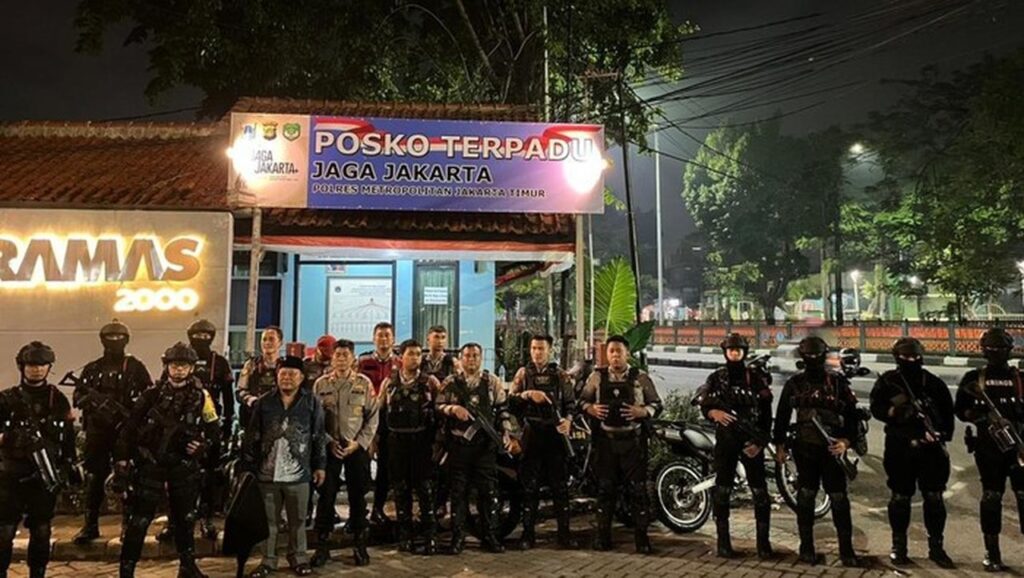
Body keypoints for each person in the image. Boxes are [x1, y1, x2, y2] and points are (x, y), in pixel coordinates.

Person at [116, 342, 220, 578]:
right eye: (174, 365)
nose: (179, 370)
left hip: (183, 466)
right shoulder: (151, 395)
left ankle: (187, 567)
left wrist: (203, 446)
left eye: (184, 365)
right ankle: (127, 569)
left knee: (185, 518)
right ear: (167, 367)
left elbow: (213, 429)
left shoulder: (202, 396)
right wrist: (122, 459)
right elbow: (130, 427)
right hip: (150, 464)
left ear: (191, 368)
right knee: (139, 520)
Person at [774, 336, 862, 567]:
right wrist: (780, 446)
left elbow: (852, 416)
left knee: (838, 498)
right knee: (806, 496)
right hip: (805, 449)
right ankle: (806, 547)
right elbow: (782, 416)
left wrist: (846, 441)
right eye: (809, 355)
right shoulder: (794, 383)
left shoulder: (837, 383)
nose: (813, 359)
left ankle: (846, 550)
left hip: (832, 450)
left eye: (816, 355)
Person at [869, 337, 955, 568]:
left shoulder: (933, 383)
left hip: (931, 451)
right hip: (900, 448)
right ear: (897, 358)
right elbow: (876, 408)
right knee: (900, 498)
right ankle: (899, 547)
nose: (912, 360)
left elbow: (948, 415)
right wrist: (895, 412)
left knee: (934, 498)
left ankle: (936, 547)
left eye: (916, 356)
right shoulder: (889, 382)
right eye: (907, 357)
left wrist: (940, 435)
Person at [242, 356, 327, 578]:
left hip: (299, 473)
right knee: (268, 521)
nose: (287, 378)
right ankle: (268, 560)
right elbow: (252, 436)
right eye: (283, 374)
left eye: (292, 374)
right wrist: (248, 466)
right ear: (277, 377)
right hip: (267, 472)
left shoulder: (311, 402)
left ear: (301, 377)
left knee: (298, 520)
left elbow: (318, 435)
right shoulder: (264, 402)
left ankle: (299, 558)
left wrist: (320, 466)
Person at [0, 342, 77, 578]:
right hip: (11, 474)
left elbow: (68, 438)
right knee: (4, 531)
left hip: (44, 476)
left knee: (42, 530)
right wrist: (11, 438)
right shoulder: (7, 399)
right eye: (32, 365)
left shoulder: (57, 399)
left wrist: (69, 466)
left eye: (43, 365)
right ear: (22, 367)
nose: (37, 370)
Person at [580, 335, 662, 554]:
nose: (615, 355)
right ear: (607, 354)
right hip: (606, 443)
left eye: (619, 351)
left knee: (638, 492)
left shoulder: (640, 378)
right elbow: (582, 401)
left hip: (633, 443)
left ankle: (642, 540)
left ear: (627, 354)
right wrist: (591, 409)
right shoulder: (597, 377)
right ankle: (603, 537)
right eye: (611, 351)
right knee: (605, 490)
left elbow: (656, 404)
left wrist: (642, 412)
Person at [72, 320, 152, 545]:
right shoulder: (92, 368)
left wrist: (133, 414)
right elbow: (77, 396)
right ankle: (90, 525)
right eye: (110, 338)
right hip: (97, 431)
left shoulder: (135, 367)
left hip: (125, 430)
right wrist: (91, 402)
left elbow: (149, 396)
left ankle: (128, 526)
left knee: (127, 476)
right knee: (94, 478)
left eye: (119, 338)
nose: (114, 342)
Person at [697, 333, 773, 559]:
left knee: (760, 492)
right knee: (722, 490)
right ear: (725, 352)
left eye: (738, 350)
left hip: (751, 440)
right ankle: (723, 543)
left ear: (744, 352)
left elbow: (766, 413)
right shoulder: (717, 378)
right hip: (726, 441)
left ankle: (763, 544)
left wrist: (760, 442)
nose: (734, 354)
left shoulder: (756, 378)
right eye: (731, 350)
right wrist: (713, 413)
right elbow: (704, 404)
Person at [954, 327, 1024, 572]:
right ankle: (992, 552)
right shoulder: (975, 378)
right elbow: (960, 410)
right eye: (992, 348)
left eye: (1000, 348)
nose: (996, 353)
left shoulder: (1019, 378)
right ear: (984, 351)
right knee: (991, 497)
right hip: (989, 448)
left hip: (1019, 446)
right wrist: (978, 416)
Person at [436, 342, 513, 554]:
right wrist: (453, 409)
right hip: (458, 446)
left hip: (484, 448)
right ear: (461, 359)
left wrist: (505, 433)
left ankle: (490, 536)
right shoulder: (451, 382)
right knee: (458, 494)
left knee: (488, 493)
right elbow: (437, 406)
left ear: (481, 358)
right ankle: (457, 538)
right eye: (468, 356)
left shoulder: (491, 382)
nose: (471, 359)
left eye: (475, 356)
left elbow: (503, 409)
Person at [311, 339, 378, 567]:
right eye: (337, 355)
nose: (341, 359)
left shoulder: (363, 384)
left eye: (345, 355)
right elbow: (315, 419)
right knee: (326, 496)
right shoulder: (320, 384)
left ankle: (359, 544)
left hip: (355, 448)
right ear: (332, 358)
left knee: (358, 496)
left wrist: (359, 443)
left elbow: (372, 417)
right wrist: (328, 441)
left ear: (352, 358)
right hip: (329, 449)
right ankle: (322, 545)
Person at [509, 334, 578, 550]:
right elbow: (510, 401)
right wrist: (528, 394)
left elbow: (571, 404)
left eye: (541, 348)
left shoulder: (560, 375)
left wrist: (568, 421)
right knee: (529, 488)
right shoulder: (523, 374)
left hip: (555, 435)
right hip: (532, 434)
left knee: (560, 488)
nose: (537, 353)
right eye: (534, 348)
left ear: (550, 350)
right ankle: (527, 535)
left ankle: (564, 535)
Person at [379, 339, 441, 554]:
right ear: (401, 357)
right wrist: (377, 442)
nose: (415, 358)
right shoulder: (389, 382)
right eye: (411, 354)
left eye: (418, 354)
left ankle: (430, 536)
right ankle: (404, 536)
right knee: (400, 489)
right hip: (397, 441)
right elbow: (380, 412)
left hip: (422, 441)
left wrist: (438, 443)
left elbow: (439, 412)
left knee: (425, 489)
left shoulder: (430, 382)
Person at [358, 322, 401, 525]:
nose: (383, 339)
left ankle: (378, 508)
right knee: (361, 468)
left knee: (385, 467)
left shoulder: (400, 362)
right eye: (380, 335)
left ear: (393, 339)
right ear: (373, 338)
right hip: (364, 419)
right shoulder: (363, 361)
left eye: (387, 335)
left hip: (389, 421)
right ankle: (359, 512)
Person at [237, 326, 284, 431]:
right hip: (253, 417)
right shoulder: (251, 364)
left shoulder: (284, 366)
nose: (267, 343)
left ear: (280, 343)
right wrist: (251, 400)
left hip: (278, 419)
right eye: (264, 339)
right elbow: (240, 391)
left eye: (271, 339)